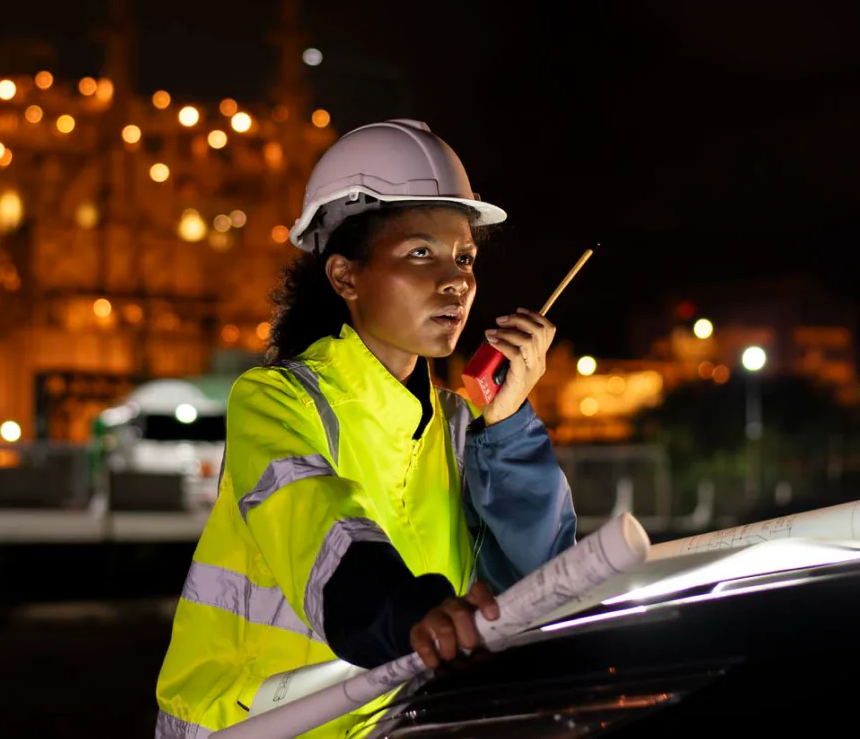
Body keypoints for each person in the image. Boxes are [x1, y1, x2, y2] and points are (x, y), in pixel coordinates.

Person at [153, 119, 578, 738]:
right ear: (346, 277)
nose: (455, 279)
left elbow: (539, 584)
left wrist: (509, 423)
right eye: (420, 253)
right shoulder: (278, 400)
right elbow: (319, 529)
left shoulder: (462, 425)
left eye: (465, 257)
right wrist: (413, 615)